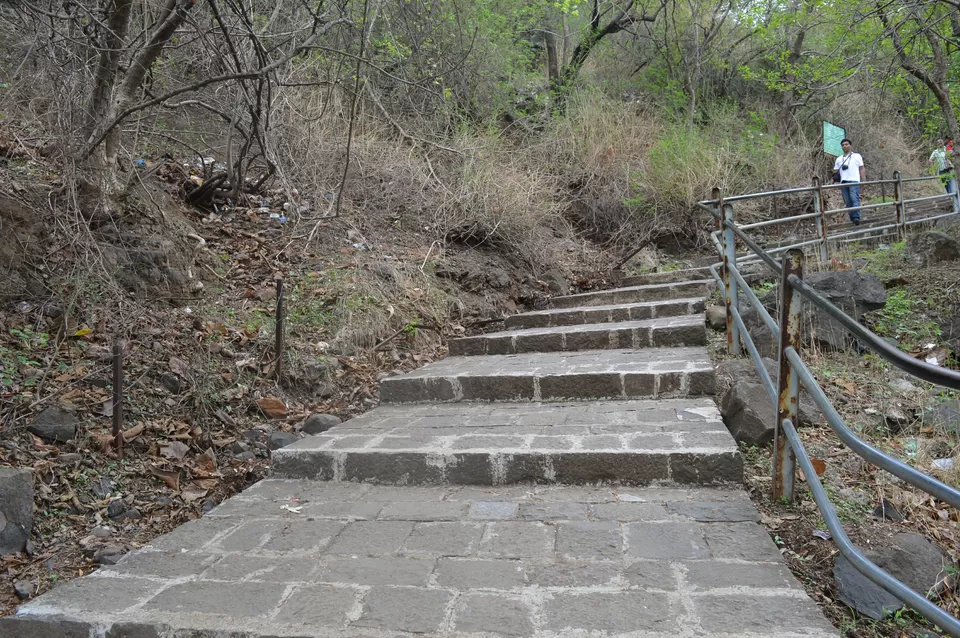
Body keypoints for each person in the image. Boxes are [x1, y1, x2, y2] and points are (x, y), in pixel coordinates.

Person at [833, 138, 866, 225]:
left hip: (854, 180)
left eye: (846, 144)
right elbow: (835, 171)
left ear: (850, 145)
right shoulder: (839, 159)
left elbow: (861, 168)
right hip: (843, 181)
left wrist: (863, 180)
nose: (845, 146)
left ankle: (856, 217)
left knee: (854, 198)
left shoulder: (857, 156)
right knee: (847, 201)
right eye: (843, 145)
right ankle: (852, 218)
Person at [928, 138, 958, 214]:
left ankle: (956, 204)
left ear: (943, 143)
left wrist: (953, 160)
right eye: (938, 142)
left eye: (941, 141)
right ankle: (952, 199)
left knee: (953, 184)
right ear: (936, 144)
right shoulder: (935, 152)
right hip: (942, 170)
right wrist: (932, 163)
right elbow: (930, 160)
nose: (940, 143)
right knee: (946, 185)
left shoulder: (947, 149)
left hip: (950, 169)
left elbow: (954, 154)